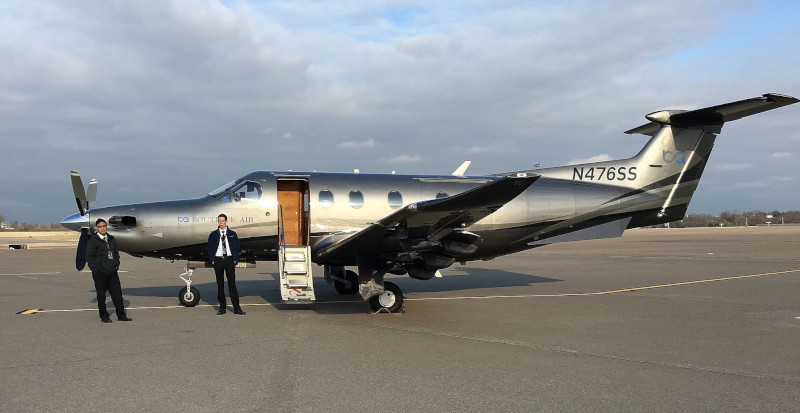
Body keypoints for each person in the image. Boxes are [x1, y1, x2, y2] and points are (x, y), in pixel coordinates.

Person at [85, 218, 132, 323]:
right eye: (100, 227)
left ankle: (121, 315)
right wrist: (95, 270)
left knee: (117, 295)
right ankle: (104, 316)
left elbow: (115, 253)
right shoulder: (93, 240)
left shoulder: (111, 239)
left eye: (104, 226)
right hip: (100, 273)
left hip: (112, 272)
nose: (103, 228)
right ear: (97, 228)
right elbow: (89, 256)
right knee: (101, 296)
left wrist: (116, 264)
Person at [207, 214, 245, 315]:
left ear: (226, 221)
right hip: (218, 261)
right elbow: (210, 248)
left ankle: (237, 308)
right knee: (220, 285)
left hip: (229, 260)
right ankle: (222, 308)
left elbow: (237, 248)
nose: (221, 223)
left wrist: (235, 259)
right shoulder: (213, 234)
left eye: (222, 221)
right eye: (219, 221)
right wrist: (212, 260)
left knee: (232, 284)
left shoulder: (232, 234)